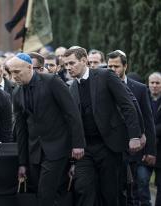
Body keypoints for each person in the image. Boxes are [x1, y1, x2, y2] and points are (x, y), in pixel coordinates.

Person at [63, 47, 142, 206]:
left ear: (84, 60)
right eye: (65, 65)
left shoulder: (105, 76)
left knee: (110, 193)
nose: (68, 67)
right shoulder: (71, 88)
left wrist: (135, 135)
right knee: (83, 189)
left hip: (109, 146)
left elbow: (127, 105)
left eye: (72, 63)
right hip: (85, 150)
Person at [6, 53, 86, 206]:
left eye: (17, 72)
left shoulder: (52, 81)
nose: (13, 76)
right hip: (34, 152)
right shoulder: (17, 93)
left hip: (57, 148)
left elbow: (72, 113)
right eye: (11, 72)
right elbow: (21, 130)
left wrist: (78, 144)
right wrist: (22, 163)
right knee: (42, 192)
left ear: (30, 67)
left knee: (45, 193)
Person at [108, 50, 156, 206]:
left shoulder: (140, 89)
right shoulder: (103, 87)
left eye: (116, 66)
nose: (113, 70)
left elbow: (148, 121)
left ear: (125, 66)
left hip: (135, 149)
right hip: (112, 148)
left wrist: (150, 151)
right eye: (109, 66)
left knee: (134, 190)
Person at [148, 72, 161, 206]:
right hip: (145, 149)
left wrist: (150, 130)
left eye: (158, 83)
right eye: (152, 82)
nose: (154, 85)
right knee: (141, 182)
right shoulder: (143, 97)